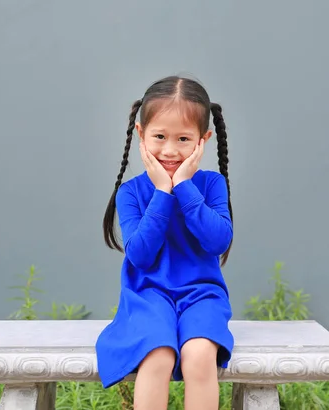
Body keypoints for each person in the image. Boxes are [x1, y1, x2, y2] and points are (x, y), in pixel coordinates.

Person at [96, 75, 234, 410]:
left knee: (200, 355)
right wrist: (162, 192)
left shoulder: (211, 184)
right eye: (160, 136)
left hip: (202, 295)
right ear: (141, 135)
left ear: (203, 141)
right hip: (148, 294)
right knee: (157, 354)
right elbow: (140, 256)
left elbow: (218, 241)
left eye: (184, 139)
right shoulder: (131, 192)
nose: (170, 150)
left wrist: (184, 186)